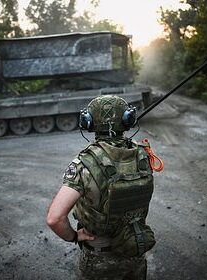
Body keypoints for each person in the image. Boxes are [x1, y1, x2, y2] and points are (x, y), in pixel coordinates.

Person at [47, 95, 161, 280]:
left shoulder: (84, 164)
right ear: (128, 120)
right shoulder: (143, 155)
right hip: (135, 249)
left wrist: (74, 237)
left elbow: (54, 218)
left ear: (88, 123)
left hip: (99, 258)